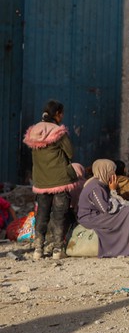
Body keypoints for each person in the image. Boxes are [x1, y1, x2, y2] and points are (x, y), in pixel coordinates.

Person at [22, 100, 81, 260]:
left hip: (41, 180)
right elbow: (70, 153)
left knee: (41, 214)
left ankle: (38, 249)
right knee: (59, 215)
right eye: (61, 113)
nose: (62, 116)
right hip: (60, 180)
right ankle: (57, 250)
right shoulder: (58, 132)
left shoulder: (33, 131)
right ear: (57, 114)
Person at [77, 159, 129, 258]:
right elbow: (106, 209)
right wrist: (113, 190)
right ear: (104, 171)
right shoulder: (95, 187)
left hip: (97, 215)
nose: (113, 174)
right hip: (90, 218)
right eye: (111, 171)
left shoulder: (101, 184)